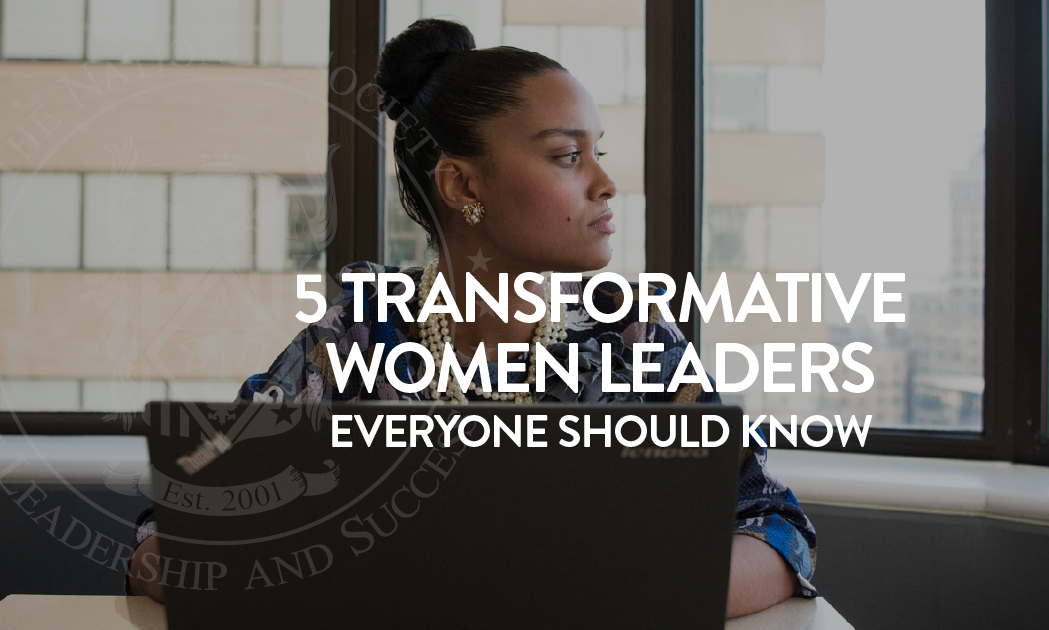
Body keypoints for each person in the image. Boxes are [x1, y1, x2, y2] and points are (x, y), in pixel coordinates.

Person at [128, 18, 817, 618]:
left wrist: (606, 594)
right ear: (462, 185)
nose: (605, 184)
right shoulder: (352, 337)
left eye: (597, 152)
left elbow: (777, 529)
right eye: (566, 156)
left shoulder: (635, 338)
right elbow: (166, 537)